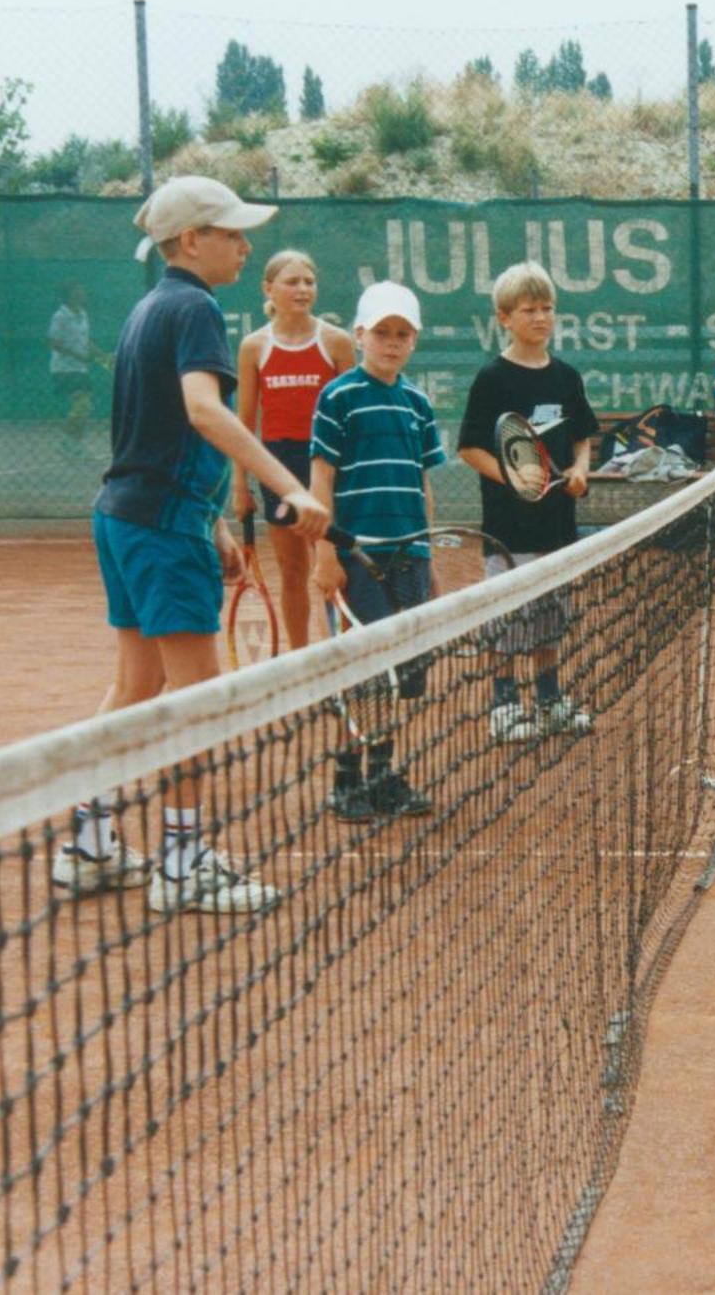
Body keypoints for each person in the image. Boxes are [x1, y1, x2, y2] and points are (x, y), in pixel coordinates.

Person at [57, 175, 331, 914]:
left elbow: (149, 431)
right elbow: (202, 411)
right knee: (200, 698)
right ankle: (180, 860)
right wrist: (290, 486)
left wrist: (211, 517)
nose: (245, 245)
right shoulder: (199, 308)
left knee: (137, 686)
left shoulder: (150, 309)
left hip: (125, 516)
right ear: (190, 241)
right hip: (158, 526)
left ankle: (89, 838)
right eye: (232, 233)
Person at [311, 280, 445, 820]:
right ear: (360, 335)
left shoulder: (418, 402)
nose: (392, 343)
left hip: (407, 559)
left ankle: (383, 774)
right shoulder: (339, 395)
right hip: (355, 559)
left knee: (398, 676)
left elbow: (422, 484)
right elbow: (320, 479)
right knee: (361, 672)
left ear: (414, 341)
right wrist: (325, 555)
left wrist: (427, 558)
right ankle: (346, 779)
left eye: (403, 334)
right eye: (382, 332)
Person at [455, 261, 600, 743]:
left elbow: (582, 437)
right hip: (508, 526)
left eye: (547, 308)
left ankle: (549, 699)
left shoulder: (566, 377)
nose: (540, 318)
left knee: (551, 614)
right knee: (507, 613)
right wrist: (517, 481)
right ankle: (503, 703)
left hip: (557, 524)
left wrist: (579, 470)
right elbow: (470, 448)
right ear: (504, 317)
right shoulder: (492, 378)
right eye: (528, 310)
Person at [231, 251, 356, 648]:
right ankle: (301, 662)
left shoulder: (336, 342)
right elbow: (244, 422)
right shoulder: (254, 347)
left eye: (309, 281)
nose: (302, 289)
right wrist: (240, 485)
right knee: (292, 570)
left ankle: (343, 660)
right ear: (268, 288)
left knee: (336, 567)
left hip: (331, 466)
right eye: (292, 282)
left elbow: (353, 414)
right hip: (277, 467)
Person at [46, 282, 107, 451]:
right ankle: (69, 441)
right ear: (69, 294)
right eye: (78, 290)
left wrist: (102, 357)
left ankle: (72, 442)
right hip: (64, 369)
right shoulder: (60, 316)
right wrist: (78, 356)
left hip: (81, 369)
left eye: (82, 289)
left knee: (84, 407)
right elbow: (53, 343)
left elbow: (85, 341)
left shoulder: (83, 315)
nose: (82, 293)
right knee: (82, 405)